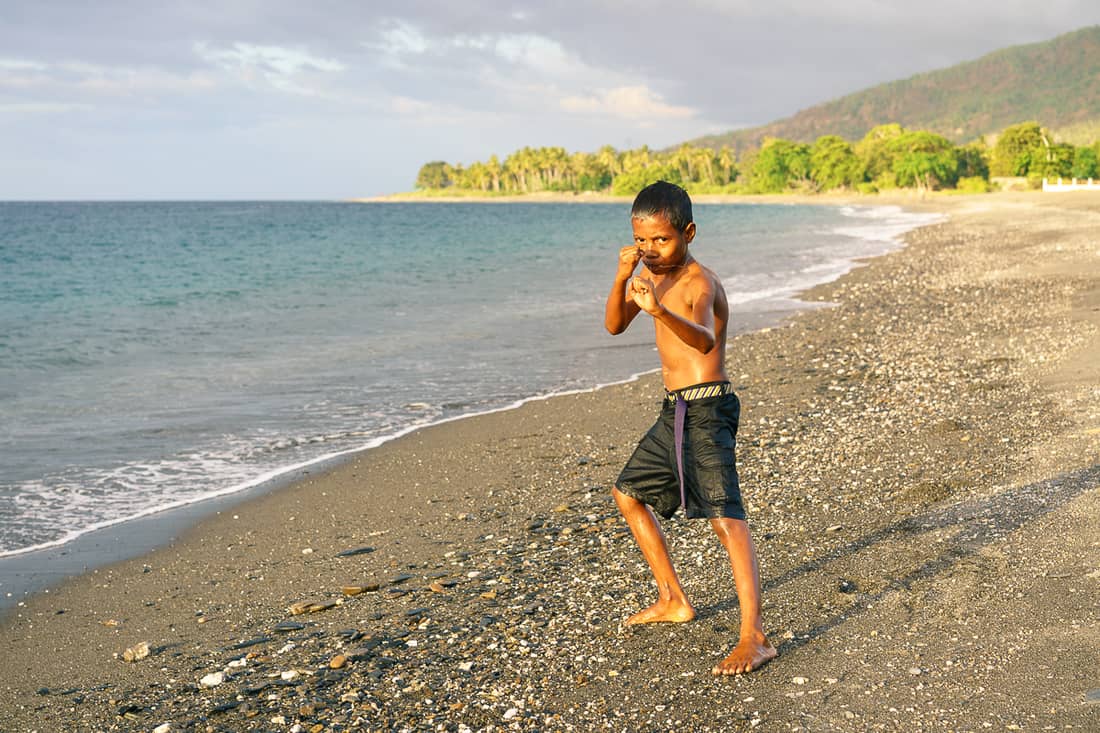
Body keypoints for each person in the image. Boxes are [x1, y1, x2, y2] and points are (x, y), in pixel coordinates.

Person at [604, 180, 776, 675]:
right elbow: (614, 325)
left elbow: (702, 340)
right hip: (674, 409)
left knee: (726, 518)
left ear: (689, 233)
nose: (651, 251)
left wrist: (659, 310)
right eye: (642, 242)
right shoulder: (650, 276)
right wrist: (621, 279)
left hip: (708, 408)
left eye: (662, 240)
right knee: (628, 493)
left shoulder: (699, 283)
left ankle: (755, 637)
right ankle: (673, 599)